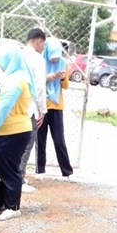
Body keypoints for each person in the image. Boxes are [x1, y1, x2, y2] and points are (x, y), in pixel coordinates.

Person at [0, 45, 34, 222]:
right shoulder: (17, 78)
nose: (0, 64)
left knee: (9, 169)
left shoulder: (14, 81)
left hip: (12, 132)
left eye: (2, 60)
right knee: (5, 168)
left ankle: (13, 207)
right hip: (12, 131)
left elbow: (4, 107)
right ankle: (8, 204)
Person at [36, 37, 74, 180]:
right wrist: (47, 78)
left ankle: (66, 172)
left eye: (56, 57)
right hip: (42, 104)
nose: (54, 60)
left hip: (57, 105)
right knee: (40, 138)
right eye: (52, 57)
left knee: (59, 139)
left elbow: (65, 86)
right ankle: (40, 170)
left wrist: (63, 78)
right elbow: (36, 82)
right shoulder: (40, 62)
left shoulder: (63, 63)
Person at [20, 29, 48, 194]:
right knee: (26, 145)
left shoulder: (19, 54)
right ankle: (20, 178)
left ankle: (12, 177)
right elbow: (39, 86)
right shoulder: (37, 59)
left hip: (16, 106)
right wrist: (42, 110)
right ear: (38, 41)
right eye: (43, 43)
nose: (43, 47)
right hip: (30, 108)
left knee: (15, 145)